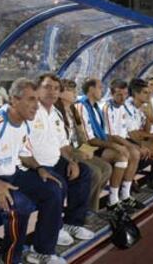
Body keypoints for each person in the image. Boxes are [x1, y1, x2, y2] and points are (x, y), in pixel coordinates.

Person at [0, 78, 66, 264]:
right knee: (20, 206)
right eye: (30, 99)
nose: (36, 106)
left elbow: (24, 153)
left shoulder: (25, 122)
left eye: (37, 100)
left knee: (53, 188)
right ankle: (9, 260)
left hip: (10, 174)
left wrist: (40, 168)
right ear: (13, 100)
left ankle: (42, 250)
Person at [20, 73, 94, 247]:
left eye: (55, 88)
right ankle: (55, 228)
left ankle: (73, 223)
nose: (52, 92)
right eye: (47, 87)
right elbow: (21, 150)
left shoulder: (56, 114)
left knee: (84, 172)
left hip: (55, 161)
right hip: (34, 165)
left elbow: (64, 146)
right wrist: (39, 167)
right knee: (57, 184)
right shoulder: (30, 111)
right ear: (37, 89)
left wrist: (72, 161)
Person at [75, 78, 145, 212]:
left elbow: (102, 134)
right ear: (91, 89)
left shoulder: (94, 107)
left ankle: (122, 196)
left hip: (96, 145)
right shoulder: (82, 106)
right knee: (122, 156)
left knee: (128, 153)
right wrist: (116, 146)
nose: (103, 90)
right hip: (86, 147)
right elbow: (87, 140)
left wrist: (121, 146)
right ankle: (112, 200)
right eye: (100, 87)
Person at [54, 79, 112, 212]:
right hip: (67, 150)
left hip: (78, 147)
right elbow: (62, 143)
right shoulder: (57, 112)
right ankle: (83, 210)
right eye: (71, 90)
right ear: (61, 94)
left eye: (75, 90)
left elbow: (81, 135)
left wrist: (87, 149)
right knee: (95, 172)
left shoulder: (73, 110)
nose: (75, 93)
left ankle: (90, 207)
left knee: (107, 168)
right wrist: (80, 153)